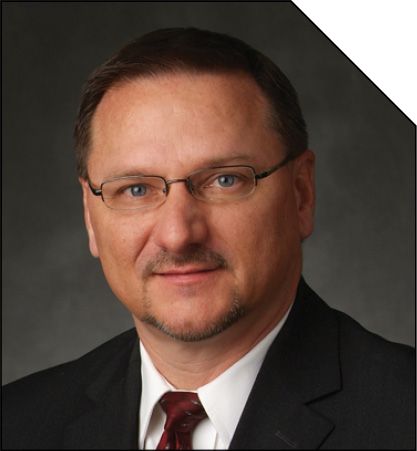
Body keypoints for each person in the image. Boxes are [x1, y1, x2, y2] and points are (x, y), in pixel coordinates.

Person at [2, 27, 414, 450]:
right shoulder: (17, 424)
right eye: (136, 189)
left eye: (225, 180)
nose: (178, 235)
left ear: (301, 194)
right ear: (91, 217)